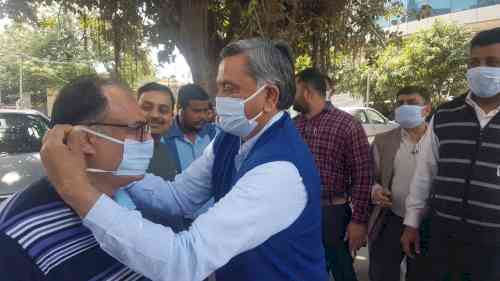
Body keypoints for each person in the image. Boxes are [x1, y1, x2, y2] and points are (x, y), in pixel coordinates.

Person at [40, 38, 327, 281]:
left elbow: (185, 259)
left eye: (229, 88)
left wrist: (76, 188)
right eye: (219, 87)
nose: (218, 99)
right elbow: (179, 197)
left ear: (269, 96)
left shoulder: (280, 172)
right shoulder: (231, 137)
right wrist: (119, 168)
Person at [0, 76, 153, 280]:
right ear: (86, 139)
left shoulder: (126, 198)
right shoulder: (18, 236)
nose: (149, 139)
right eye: (137, 129)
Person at [401, 27, 500, 281]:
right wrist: (411, 222)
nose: (481, 69)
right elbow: (425, 173)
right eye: (474, 62)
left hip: (493, 247)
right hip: (442, 237)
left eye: (493, 62)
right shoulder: (446, 115)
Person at [293, 68, 372, 281]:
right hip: (299, 212)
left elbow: (363, 176)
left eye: (295, 89)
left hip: (333, 214)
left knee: (342, 270)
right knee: (304, 270)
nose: (292, 94)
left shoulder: (347, 125)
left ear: (308, 92)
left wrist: (359, 221)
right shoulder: (294, 125)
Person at [368, 86, 432, 281]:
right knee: (382, 272)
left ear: (426, 109)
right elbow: (370, 177)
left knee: (422, 273)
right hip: (392, 218)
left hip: (428, 223)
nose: (404, 106)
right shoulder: (383, 141)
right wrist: (375, 191)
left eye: (412, 103)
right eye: (400, 103)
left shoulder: (439, 140)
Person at [163, 83, 218, 220]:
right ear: (179, 109)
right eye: (197, 111)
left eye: (206, 111)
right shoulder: (163, 139)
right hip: (178, 221)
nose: (203, 116)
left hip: (213, 219)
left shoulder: (216, 135)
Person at [137, 82, 179, 181]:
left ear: (171, 118)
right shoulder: (118, 149)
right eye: (147, 108)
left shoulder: (166, 154)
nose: (155, 115)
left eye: (163, 110)